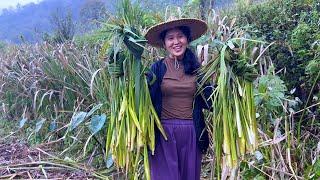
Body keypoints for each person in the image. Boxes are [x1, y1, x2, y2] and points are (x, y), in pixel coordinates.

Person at [145, 18, 213, 180]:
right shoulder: (157, 69)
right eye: (170, 38)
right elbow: (144, 98)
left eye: (180, 36)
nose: (176, 42)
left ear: (187, 39)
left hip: (191, 133)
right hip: (163, 134)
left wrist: (232, 79)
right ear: (164, 43)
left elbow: (212, 101)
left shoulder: (198, 71)